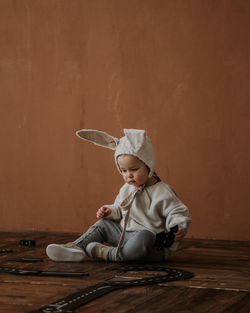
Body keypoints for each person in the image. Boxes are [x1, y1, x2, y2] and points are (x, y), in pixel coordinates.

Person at [46, 129, 191, 263]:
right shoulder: (127, 189)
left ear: (149, 165)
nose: (128, 175)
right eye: (123, 171)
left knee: (145, 236)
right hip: (124, 235)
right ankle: (76, 247)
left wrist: (177, 227)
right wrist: (110, 211)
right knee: (103, 225)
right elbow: (120, 209)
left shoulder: (163, 192)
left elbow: (177, 212)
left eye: (134, 169)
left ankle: (108, 253)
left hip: (151, 244)